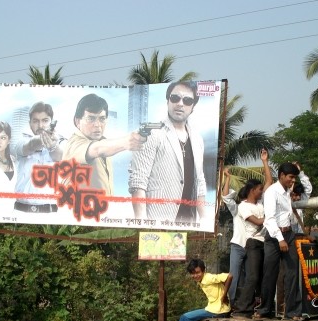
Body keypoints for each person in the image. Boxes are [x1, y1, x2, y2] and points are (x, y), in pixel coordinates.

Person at [129, 81, 206, 223]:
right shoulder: (151, 132)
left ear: (193, 107)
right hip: (158, 219)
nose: (180, 104)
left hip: (189, 220)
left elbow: (199, 182)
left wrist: (204, 219)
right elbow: (138, 181)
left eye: (187, 100)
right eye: (175, 98)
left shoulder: (197, 139)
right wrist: (141, 221)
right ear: (167, 101)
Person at [62, 93, 146, 196]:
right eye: (91, 118)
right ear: (77, 121)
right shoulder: (73, 144)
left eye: (102, 119)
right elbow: (97, 149)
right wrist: (125, 142)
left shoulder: (104, 144)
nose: (97, 125)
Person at [222, 149, 272, 308]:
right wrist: (228, 179)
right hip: (238, 245)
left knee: (253, 277)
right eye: (259, 189)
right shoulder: (238, 208)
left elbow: (269, 184)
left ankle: (251, 303)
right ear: (252, 190)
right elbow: (225, 197)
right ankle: (230, 303)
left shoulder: (260, 204)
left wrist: (265, 162)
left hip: (255, 246)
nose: (261, 191)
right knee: (235, 276)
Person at [257, 162, 302, 320]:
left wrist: (300, 171)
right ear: (281, 175)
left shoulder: (287, 191)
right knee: (270, 273)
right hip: (274, 236)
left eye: (294, 178)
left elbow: (306, 191)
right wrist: (280, 239)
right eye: (290, 177)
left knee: (292, 273)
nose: (292, 181)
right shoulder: (271, 192)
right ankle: (264, 310)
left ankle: (292, 312)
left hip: (288, 234)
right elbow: (269, 219)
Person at [11, 101, 65, 213]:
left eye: (45, 121)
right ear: (29, 123)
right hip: (21, 210)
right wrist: (44, 138)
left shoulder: (61, 142)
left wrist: (53, 145)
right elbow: (29, 146)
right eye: (35, 121)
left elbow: (59, 156)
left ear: (51, 122)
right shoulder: (21, 141)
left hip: (50, 212)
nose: (40, 126)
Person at [290, 161, 313, 235]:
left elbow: (308, 188)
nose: (299, 197)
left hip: (299, 235)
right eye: (296, 195)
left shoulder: (300, 202)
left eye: (300, 195)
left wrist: (299, 172)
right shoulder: (284, 199)